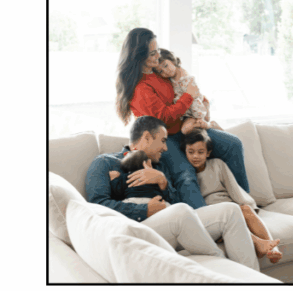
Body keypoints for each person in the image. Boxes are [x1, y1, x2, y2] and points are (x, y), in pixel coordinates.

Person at [85, 116, 259, 271]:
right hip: (139, 228)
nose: (166, 148)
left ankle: (256, 283)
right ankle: (229, 275)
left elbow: (177, 201)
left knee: (230, 211)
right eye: (162, 140)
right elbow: (97, 205)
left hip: (176, 222)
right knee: (181, 211)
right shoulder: (106, 162)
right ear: (146, 137)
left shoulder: (160, 166)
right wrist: (145, 210)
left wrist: (162, 182)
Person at [115, 27, 248, 209]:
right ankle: (207, 222)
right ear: (139, 56)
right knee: (185, 174)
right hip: (165, 137)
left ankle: (247, 205)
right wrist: (189, 96)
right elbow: (163, 118)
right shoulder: (140, 87)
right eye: (152, 54)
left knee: (232, 144)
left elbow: (185, 85)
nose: (157, 57)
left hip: (186, 127)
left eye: (157, 50)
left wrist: (201, 101)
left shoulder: (160, 71)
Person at [181, 129, 283, 263]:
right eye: (191, 152)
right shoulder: (186, 175)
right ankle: (259, 244)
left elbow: (233, 188)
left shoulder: (217, 164)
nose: (195, 156)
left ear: (208, 153)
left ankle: (273, 250)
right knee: (231, 219)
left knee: (245, 209)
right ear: (185, 152)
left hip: (231, 205)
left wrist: (250, 207)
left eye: (201, 152)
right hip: (215, 214)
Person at [156, 48, 221, 133]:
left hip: (194, 110)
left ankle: (211, 125)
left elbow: (194, 98)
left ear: (172, 60)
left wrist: (199, 117)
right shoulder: (171, 79)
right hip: (186, 112)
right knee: (185, 129)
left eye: (165, 65)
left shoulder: (186, 79)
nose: (165, 71)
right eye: (161, 71)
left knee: (185, 130)